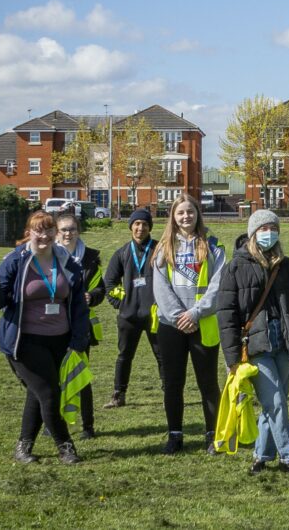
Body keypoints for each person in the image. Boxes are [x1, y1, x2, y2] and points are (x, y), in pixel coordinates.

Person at [0, 211, 90, 465]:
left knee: (37, 393)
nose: (44, 236)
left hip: (59, 339)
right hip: (25, 340)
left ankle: (23, 447)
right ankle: (66, 447)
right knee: (50, 394)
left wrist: (78, 339)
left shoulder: (66, 261)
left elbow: (78, 306)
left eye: (48, 230)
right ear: (29, 233)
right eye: (38, 230)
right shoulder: (16, 261)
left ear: (55, 233)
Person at [217, 210, 289, 477]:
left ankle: (260, 456)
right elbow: (226, 314)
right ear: (252, 233)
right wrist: (232, 358)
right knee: (276, 403)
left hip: (283, 342)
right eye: (263, 228)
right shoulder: (235, 267)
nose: (269, 232)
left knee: (274, 404)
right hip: (254, 346)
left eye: (273, 227)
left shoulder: (288, 266)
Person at [152, 194, 225, 455]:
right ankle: (175, 435)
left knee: (208, 382)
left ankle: (212, 435)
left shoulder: (213, 246)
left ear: (198, 214)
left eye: (190, 212)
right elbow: (160, 288)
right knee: (173, 383)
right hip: (171, 327)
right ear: (173, 216)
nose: (186, 217)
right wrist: (178, 317)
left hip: (202, 323)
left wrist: (194, 314)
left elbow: (218, 285)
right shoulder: (163, 248)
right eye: (181, 213)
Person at [102, 207, 163, 409]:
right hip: (128, 316)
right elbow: (109, 283)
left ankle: (168, 392)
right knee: (124, 356)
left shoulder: (159, 250)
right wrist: (121, 303)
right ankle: (119, 394)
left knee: (162, 355)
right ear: (131, 227)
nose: (140, 228)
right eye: (137, 224)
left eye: (145, 224)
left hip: (155, 315)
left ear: (149, 227)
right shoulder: (121, 253)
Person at [54, 212, 105, 440]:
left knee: (81, 376)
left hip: (80, 327)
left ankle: (88, 426)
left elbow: (100, 289)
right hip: (52, 325)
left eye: (72, 229)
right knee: (53, 378)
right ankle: (53, 423)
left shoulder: (90, 258)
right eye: (63, 229)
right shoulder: (47, 255)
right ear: (57, 232)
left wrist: (91, 297)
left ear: (79, 231)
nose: (68, 234)